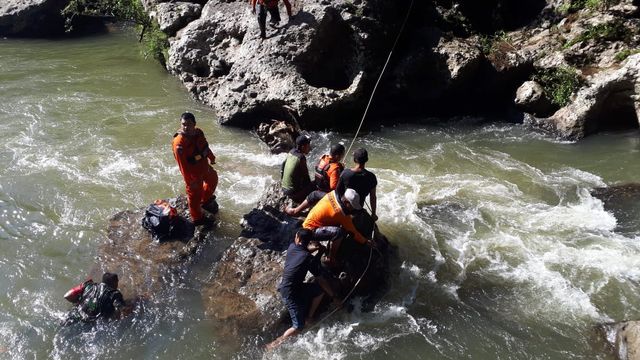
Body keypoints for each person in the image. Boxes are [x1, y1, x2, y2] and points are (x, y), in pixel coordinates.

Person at [266, 229, 339, 350]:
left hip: (294, 287)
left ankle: (309, 318)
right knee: (298, 326)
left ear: (298, 239)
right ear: (308, 241)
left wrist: (317, 250)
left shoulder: (292, 247)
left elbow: (304, 251)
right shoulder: (308, 258)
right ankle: (273, 345)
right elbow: (320, 279)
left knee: (319, 291)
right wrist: (335, 297)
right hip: (289, 292)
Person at [302, 188, 373, 265]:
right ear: (346, 202)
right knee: (339, 232)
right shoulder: (341, 213)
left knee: (334, 224)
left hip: (307, 223)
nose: (353, 209)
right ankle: (330, 258)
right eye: (352, 206)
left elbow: (315, 194)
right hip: (311, 231)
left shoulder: (331, 194)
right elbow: (353, 231)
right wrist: (365, 241)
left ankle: (316, 245)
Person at [172, 112, 219, 226]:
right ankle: (197, 219)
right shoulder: (179, 143)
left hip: (204, 167)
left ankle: (205, 199)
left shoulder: (198, 132)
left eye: (189, 124)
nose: (186, 127)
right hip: (193, 174)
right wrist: (190, 181)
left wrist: (211, 158)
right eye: (184, 124)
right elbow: (183, 165)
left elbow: (205, 147)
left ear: (194, 124)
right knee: (194, 196)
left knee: (213, 179)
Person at [285, 143, 345, 216]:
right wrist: (340, 172)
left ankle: (298, 200)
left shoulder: (323, 158)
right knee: (314, 194)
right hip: (325, 191)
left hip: (319, 185)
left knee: (313, 184)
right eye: (342, 155)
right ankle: (295, 211)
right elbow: (333, 188)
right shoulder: (335, 169)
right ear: (337, 156)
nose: (342, 157)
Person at [336, 148, 378, 221]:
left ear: (354, 160)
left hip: (344, 208)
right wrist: (373, 214)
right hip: (358, 209)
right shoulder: (371, 177)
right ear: (366, 160)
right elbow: (373, 197)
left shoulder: (345, 173)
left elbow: (337, 191)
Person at [281, 135, 314, 203]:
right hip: (292, 192)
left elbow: (283, 166)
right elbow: (306, 177)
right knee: (315, 185)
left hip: (283, 188)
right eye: (308, 145)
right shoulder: (301, 157)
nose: (309, 148)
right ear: (303, 147)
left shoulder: (291, 152)